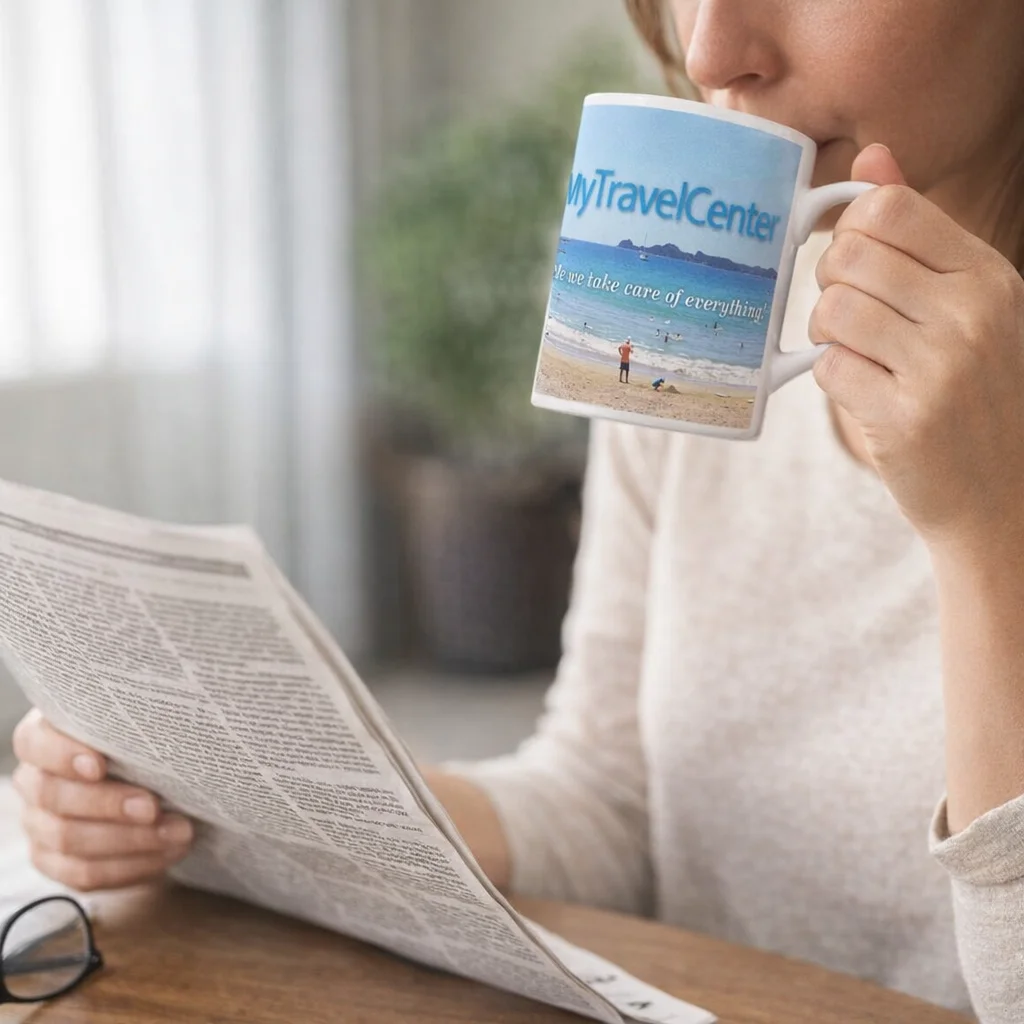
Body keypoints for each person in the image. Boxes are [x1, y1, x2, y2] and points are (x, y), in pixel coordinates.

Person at [10, 2, 1024, 1020]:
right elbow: (610, 801)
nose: (709, 49)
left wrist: (989, 535)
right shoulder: (708, 316)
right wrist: (223, 809)